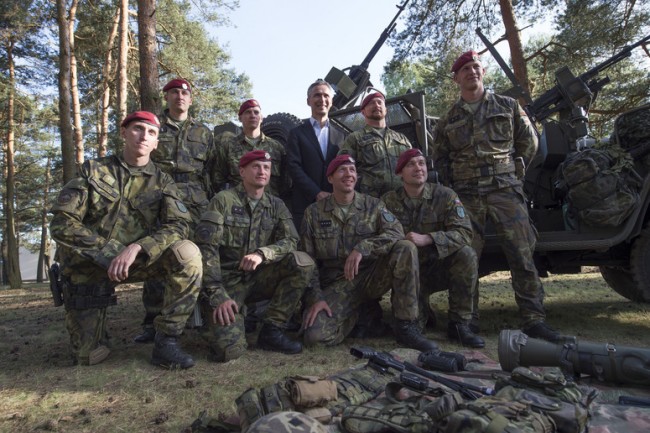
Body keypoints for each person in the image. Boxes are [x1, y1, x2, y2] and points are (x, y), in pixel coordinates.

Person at [50, 111, 202, 369]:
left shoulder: (162, 181)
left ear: (156, 143)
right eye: (138, 129)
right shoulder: (93, 171)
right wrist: (109, 252)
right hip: (90, 265)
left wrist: (140, 247)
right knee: (87, 355)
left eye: (151, 133)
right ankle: (96, 331)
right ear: (123, 132)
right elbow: (62, 223)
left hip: (138, 260)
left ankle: (167, 340)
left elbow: (179, 224)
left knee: (187, 254)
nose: (144, 136)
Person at [432, 50, 561, 342]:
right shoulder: (448, 119)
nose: (471, 72)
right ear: (457, 79)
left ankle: (533, 319)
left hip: (504, 191)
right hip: (467, 196)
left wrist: (515, 171)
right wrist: (455, 188)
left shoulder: (508, 105)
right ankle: (464, 321)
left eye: (475, 67)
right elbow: (439, 159)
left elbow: (529, 142)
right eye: (464, 69)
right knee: (466, 256)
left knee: (522, 252)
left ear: (483, 71)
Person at [300, 154, 439, 352]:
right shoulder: (313, 213)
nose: (348, 174)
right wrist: (316, 298)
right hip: (338, 284)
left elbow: (396, 232)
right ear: (330, 178)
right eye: (342, 170)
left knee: (405, 248)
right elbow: (308, 261)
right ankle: (361, 315)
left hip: (372, 276)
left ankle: (406, 326)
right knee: (315, 337)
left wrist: (363, 247)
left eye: (352, 170)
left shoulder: (373, 205)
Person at [194, 150, 314, 362]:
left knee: (302, 262)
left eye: (266, 167)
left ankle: (272, 330)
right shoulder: (223, 200)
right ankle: (221, 318)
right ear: (242, 171)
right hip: (227, 282)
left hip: (259, 276)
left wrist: (263, 253)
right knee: (229, 350)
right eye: (256, 166)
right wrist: (216, 294)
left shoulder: (276, 205)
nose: (262, 171)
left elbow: (291, 240)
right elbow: (206, 249)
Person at [135, 78, 216, 344]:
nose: (179, 96)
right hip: (160, 198)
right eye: (174, 92)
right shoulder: (154, 128)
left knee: (201, 255)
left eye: (184, 93)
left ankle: (200, 313)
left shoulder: (204, 132)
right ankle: (152, 320)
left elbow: (212, 172)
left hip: (197, 201)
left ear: (190, 99)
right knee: (158, 255)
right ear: (166, 97)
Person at [382, 149, 484, 348]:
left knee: (466, 254)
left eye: (421, 163)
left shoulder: (445, 195)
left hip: (439, 268)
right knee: (413, 329)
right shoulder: (388, 201)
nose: (418, 168)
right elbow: (381, 235)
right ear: (400, 172)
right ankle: (419, 315)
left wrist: (428, 238)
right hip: (407, 276)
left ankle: (460, 324)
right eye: (411, 164)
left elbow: (464, 232)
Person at [287, 79, 346, 229]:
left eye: (326, 95)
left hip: (335, 204)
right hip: (304, 204)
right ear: (308, 101)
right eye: (317, 95)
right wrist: (316, 192)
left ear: (331, 101)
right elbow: (294, 167)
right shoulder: (296, 134)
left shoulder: (341, 136)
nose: (322, 100)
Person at [338, 91, 412, 198]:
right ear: (363, 112)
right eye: (371, 103)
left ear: (386, 110)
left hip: (402, 199)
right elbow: (342, 168)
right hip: (370, 202)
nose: (376, 105)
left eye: (379, 102)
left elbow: (412, 166)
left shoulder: (402, 139)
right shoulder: (355, 138)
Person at [213, 99, 289, 199]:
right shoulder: (229, 146)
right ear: (240, 118)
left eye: (256, 112)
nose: (252, 115)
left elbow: (285, 182)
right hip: (237, 207)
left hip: (269, 208)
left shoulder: (276, 147)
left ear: (261, 117)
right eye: (248, 112)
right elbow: (218, 178)